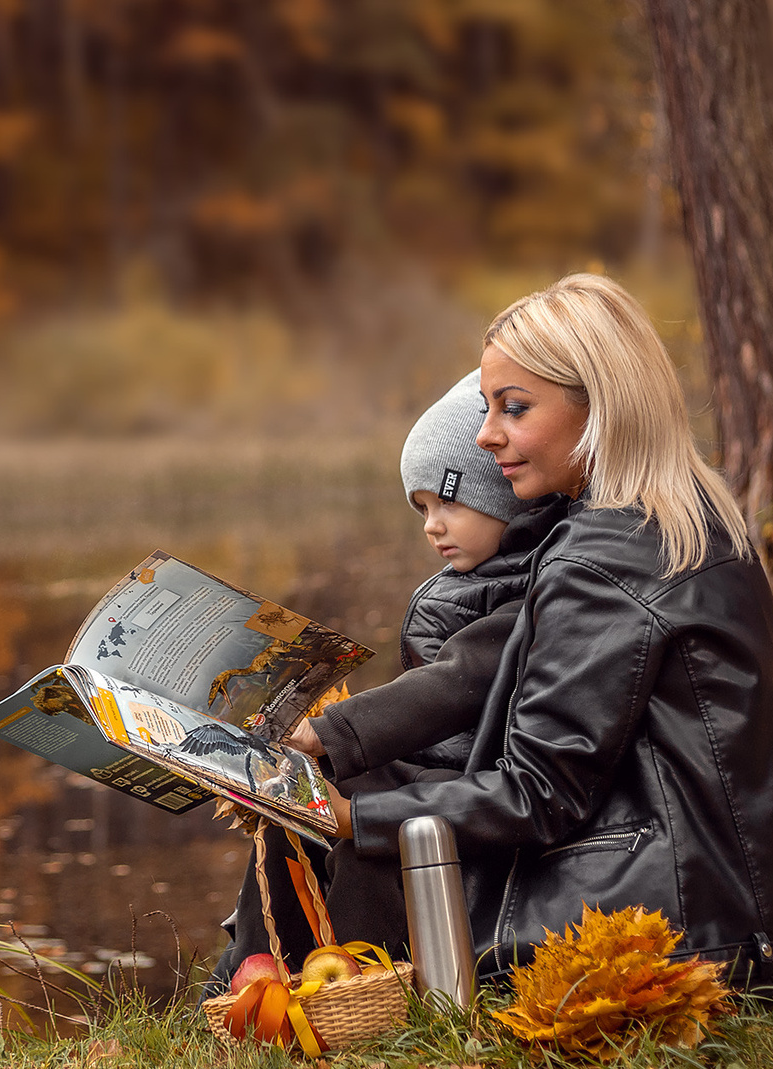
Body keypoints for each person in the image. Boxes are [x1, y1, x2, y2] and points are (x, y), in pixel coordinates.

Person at [316, 272, 773, 990]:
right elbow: (500, 679)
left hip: (684, 935)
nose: (485, 433)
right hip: (747, 920)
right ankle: (293, 986)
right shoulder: (681, 516)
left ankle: (298, 994)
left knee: (353, 804)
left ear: (599, 406)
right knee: (365, 778)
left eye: (514, 407)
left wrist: (350, 818)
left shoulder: (605, 555)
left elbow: (538, 790)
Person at [207, 369, 571, 980]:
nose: (432, 524)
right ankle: (252, 967)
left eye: (448, 502)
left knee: (367, 810)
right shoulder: (462, 587)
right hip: (442, 769)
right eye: (422, 508)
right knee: (298, 800)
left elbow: (459, 681)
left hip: (482, 786)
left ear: (503, 494)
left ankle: (367, 976)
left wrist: (337, 731)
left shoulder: (532, 589)